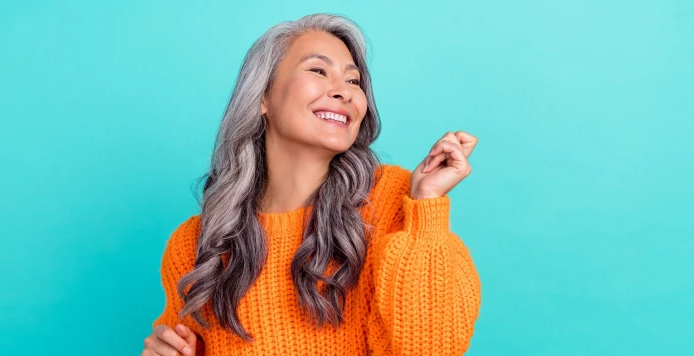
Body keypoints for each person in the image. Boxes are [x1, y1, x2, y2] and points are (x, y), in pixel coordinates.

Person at [141, 13, 481, 356]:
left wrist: (427, 208)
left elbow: (433, 347)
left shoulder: (394, 199)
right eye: (318, 71)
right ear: (263, 96)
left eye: (354, 81)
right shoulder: (197, 245)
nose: (344, 92)